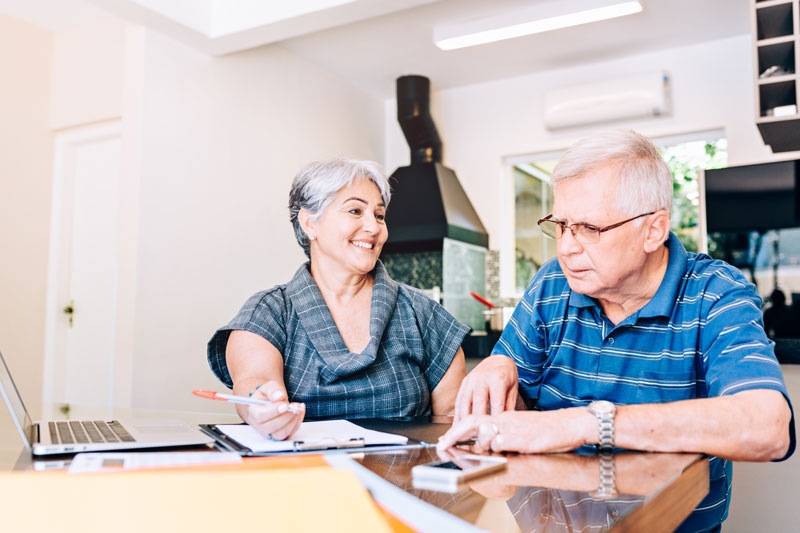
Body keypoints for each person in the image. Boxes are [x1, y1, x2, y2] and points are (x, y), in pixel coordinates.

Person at [436, 130, 795, 532]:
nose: (566, 248)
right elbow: (517, 408)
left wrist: (584, 424)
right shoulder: (552, 284)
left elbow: (768, 427)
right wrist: (497, 367)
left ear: (653, 230)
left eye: (589, 228)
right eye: (560, 224)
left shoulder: (715, 293)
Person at [207, 157, 469, 441]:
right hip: (307, 478)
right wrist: (262, 408)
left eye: (379, 215)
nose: (373, 227)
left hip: (405, 480)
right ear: (309, 223)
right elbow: (253, 382)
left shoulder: (423, 313)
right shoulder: (269, 311)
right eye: (356, 211)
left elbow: (453, 420)